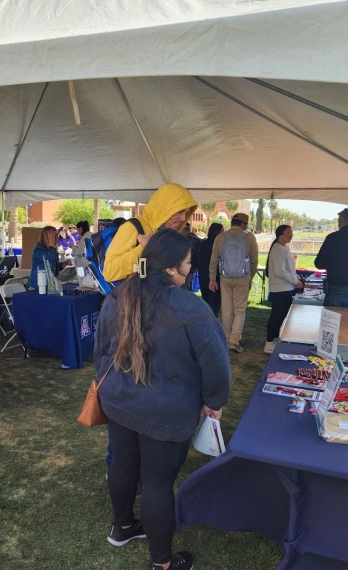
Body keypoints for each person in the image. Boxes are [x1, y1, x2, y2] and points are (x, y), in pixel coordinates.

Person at [95, 229, 230, 570]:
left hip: (120, 401)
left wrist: (105, 385)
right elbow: (216, 364)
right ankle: (163, 563)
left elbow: (99, 351)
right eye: (188, 264)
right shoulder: (192, 309)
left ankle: (123, 527)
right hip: (162, 411)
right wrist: (215, 400)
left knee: (123, 466)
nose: (190, 269)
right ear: (170, 268)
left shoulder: (118, 295)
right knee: (157, 482)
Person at [103, 183, 198, 282]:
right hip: (134, 296)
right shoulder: (132, 227)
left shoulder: (167, 235)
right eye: (180, 211)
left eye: (186, 213)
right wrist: (144, 248)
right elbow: (109, 272)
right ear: (165, 208)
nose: (183, 218)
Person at [208, 213, 259, 353]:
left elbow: (213, 260)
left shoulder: (220, 237)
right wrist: (250, 276)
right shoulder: (249, 237)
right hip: (242, 278)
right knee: (240, 310)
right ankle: (234, 341)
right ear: (243, 224)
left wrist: (212, 278)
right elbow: (254, 261)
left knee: (226, 310)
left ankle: (226, 339)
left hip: (225, 277)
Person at [264, 225, 304, 354]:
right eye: (287, 233)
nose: (290, 235)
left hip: (286, 287)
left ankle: (274, 339)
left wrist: (297, 278)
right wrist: (295, 281)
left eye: (291, 233)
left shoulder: (284, 248)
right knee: (276, 316)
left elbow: (289, 269)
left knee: (281, 316)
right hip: (280, 288)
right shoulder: (277, 249)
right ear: (280, 234)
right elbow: (280, 271)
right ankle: (269, 342)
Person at [197, 223, 224, 317]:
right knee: (214, 306)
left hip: (203, 277)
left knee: (207, 303)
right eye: (222, 231)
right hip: (215, 279)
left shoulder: (202, 244)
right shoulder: (219, 246)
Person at [180, 222, 202, 291]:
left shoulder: (185, 240)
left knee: (184, 287)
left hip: (185, 268)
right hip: (193, 268)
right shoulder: (196, 239)